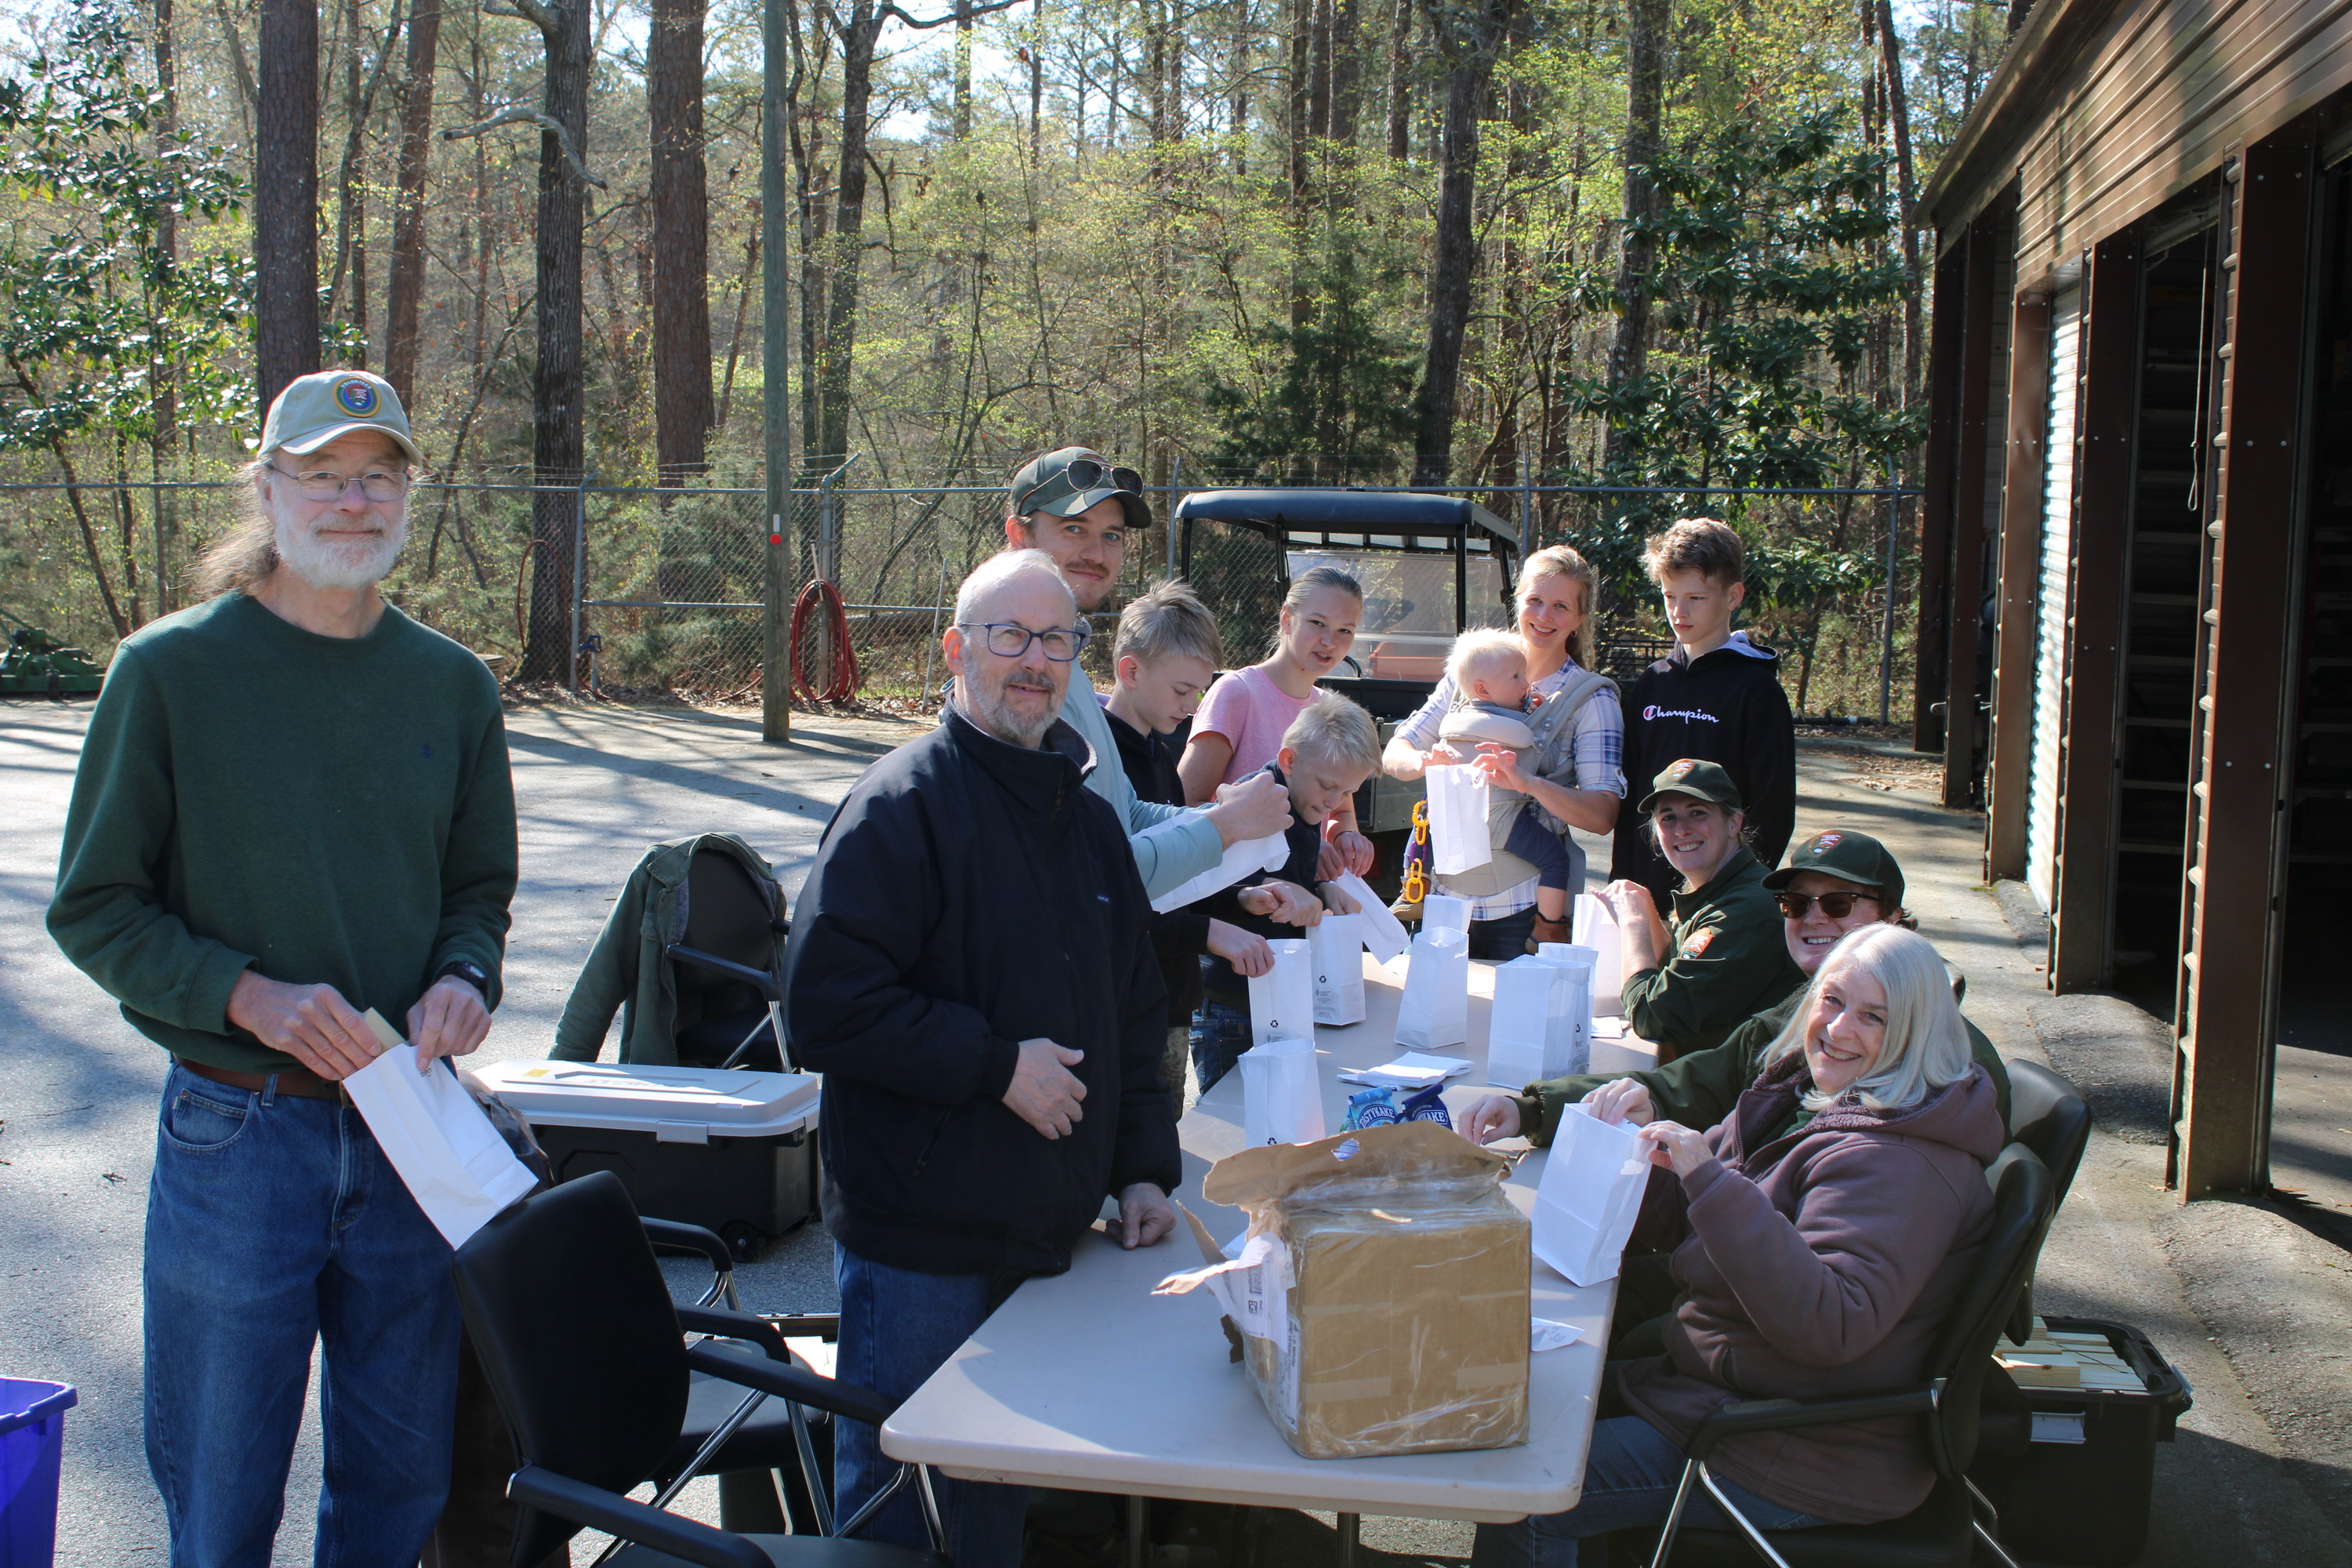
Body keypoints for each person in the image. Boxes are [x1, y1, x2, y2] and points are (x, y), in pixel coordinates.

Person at [46, 369, 517, 1566]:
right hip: (237, 1133)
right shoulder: (170, 674)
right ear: (266, 485)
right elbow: (95, 909)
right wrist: (243, 995)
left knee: (397, 1487)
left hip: (409, 1128)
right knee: (222, 1491)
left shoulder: (452, 686)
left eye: (377, 476)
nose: (352, 503)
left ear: (410, 491)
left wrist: (464, 978)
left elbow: (476, 896)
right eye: (320, 474)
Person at [783, 549, 1182, 1566]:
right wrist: (994, 1064)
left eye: (1056, 640)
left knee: (994, 1503)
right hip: (920, 1248)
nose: (1034, 660)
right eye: (1010, 636)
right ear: (958, 651)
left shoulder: (1089, 829)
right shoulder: (899, 809)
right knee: (898, 1516)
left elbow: (1137, 1017)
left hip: (1051, 1235)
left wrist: (1142, 1165)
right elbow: (823, 1008)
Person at [1468, 924, 2006, 1566]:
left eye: (1874, 1018)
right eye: (1832, 1001)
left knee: (1527, 1494)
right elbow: (1692, 1223)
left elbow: (1830, 1324)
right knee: (1514, 1396)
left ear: (1917, 1034)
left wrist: (1707, 1179)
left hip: (1798, 1447)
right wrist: (1638, 1154)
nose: (1836, 1030)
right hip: (1728, 1395)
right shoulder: (1803, 1096)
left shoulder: (1899, 1164)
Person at [1000, 447, 1292, 902]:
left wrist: (1219, 814)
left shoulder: (1066, 659)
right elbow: (1092, 872)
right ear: (1020, 536)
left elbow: (1123, 814)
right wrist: (1225, 826)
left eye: (1112, 536)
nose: (1096, 553)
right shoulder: (1014, 678)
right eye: (1074, 528)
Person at [1382, 545, 1625, 960]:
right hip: (1442, 898)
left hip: (1522, 906)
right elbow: (1395, 752)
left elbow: (1602, 815)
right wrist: (1423, 761)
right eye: (1535, 600)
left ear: (1579, 619)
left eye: (1560, 606)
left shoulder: (1590, 700)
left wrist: (1528, 783)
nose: (1544, 616)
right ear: (1517, 601)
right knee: (1431, 1018)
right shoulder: (1472, 671)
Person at [1100, 581, 1274, 1101]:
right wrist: (1207, 932)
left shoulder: (1161, 756)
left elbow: (1181, 869)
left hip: (1169, 998)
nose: (1194, 704)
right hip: (1123, 1006)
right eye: (1182, 691)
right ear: (1131, 671)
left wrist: (1240, 897)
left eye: (1201, 690)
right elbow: (1121, 886)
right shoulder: (1101, 762)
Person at [1189, 692, 1385, 1093]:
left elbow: (1287, 871)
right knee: (1236, 1114)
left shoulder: (1306, 800)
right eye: (1328, 786)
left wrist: (1323, 889)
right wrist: (1275, 893)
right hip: (1232, 1001)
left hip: (1277, 991)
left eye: (1346, 793)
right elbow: (1204, 886)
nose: (1333, 802)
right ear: (1289, 760)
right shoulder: (1251, 802)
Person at [1612, 518, 1795, 916]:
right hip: (1649, 892)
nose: (1679, 612)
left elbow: (1773, 808)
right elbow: (1631, 798)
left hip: (1723, 900)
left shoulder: (1757, 691)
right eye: (1669, 596)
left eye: (1696, 598)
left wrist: (1745, 893)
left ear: (1733, 596)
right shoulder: (1652, 682)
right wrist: (1623, 881)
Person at [1179, 564, 1378, 879]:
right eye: (1317, 623)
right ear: (1287, 619)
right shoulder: (1237, 692)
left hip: (1303, 890)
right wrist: (1299, 845)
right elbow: (1189, 803)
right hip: (1238, 892)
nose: (1330, 641)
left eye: (1345, 630)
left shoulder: (1329, 707)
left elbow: (1340, 810)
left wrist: (1344, 837)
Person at [1604, 760, 1803, 1061]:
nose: (1682, 830)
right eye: (1667, 818)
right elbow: (1673, 973)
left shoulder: (1745, 908)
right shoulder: (1720, 888)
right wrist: (1646, 910)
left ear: (1734, 823)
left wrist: (1633, 922)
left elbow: (1651, 1017)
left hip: (1739, 1092)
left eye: (1698, 813)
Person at [1431, 630, 1581, 946]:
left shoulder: (1454, 724)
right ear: (1483, 689)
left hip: (1457, 819)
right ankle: (1549, 927)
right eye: (1516, 676)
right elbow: (1548, 762)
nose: (1526, 684)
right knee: (1556, 861)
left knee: (1422, 831)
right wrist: (1536, 718)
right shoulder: (1516, 731)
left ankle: (1409, 888)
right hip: (1501, 823)